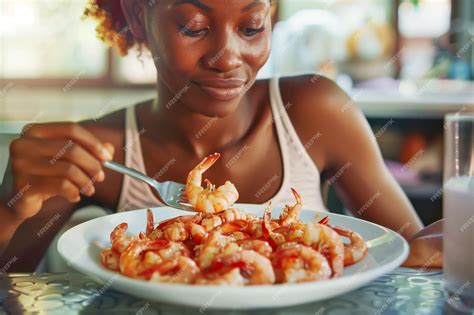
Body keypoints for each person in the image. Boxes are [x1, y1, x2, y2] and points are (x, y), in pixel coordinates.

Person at [0, 0, 441, 271]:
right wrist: (9, 206)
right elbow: (10, 283)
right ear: (137, 16)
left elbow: (408, 252)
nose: (228, 58)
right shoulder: (101, 149)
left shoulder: (314, 109)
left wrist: (435, 252)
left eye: (251, 27)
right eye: (194, 26)